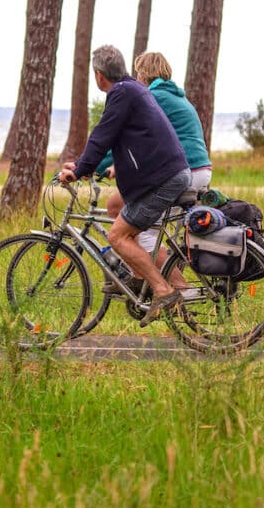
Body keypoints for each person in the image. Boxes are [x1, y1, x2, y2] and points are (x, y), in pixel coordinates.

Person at [60, 45, 190, 326]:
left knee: (118, 236)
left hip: (163, 179)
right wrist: (85, 166)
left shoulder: (122, 93)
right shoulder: (133, 89)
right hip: (165, 175)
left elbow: (103, 134)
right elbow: (112, 139)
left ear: (98, 75)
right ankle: (149, 280)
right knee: (120, 213)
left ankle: (164, 291)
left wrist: (80, 170)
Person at [97, 52, 212, 289]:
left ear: (143, 73)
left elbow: (122, 135)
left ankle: (179, 291)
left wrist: (93, 165)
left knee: (145, 234)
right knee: (116, 205)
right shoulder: (176, 97)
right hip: (199, 170)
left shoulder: (153, 97)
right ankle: (140, 275)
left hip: (181, 173)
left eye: (138, 73)